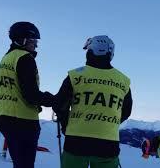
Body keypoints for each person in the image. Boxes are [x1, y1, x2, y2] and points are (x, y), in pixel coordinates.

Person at [53, 35, 133, 168]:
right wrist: (108, 123)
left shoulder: (76, 75)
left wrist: (66, 125)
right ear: (110, 53)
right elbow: (126, 111)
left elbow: (59, 104)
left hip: (76, 141)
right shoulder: (123, 80)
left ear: (90, 52)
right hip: (108, 143)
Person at [0, 21, 54, 168]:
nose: (36, 45)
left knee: (19, 163)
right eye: (33, 41)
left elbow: (14, 89)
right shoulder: (24, 58)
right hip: (23, 121)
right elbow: (31, 94)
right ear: (23, 40)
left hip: (5, 117)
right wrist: (53, 100)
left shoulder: (7, 58)